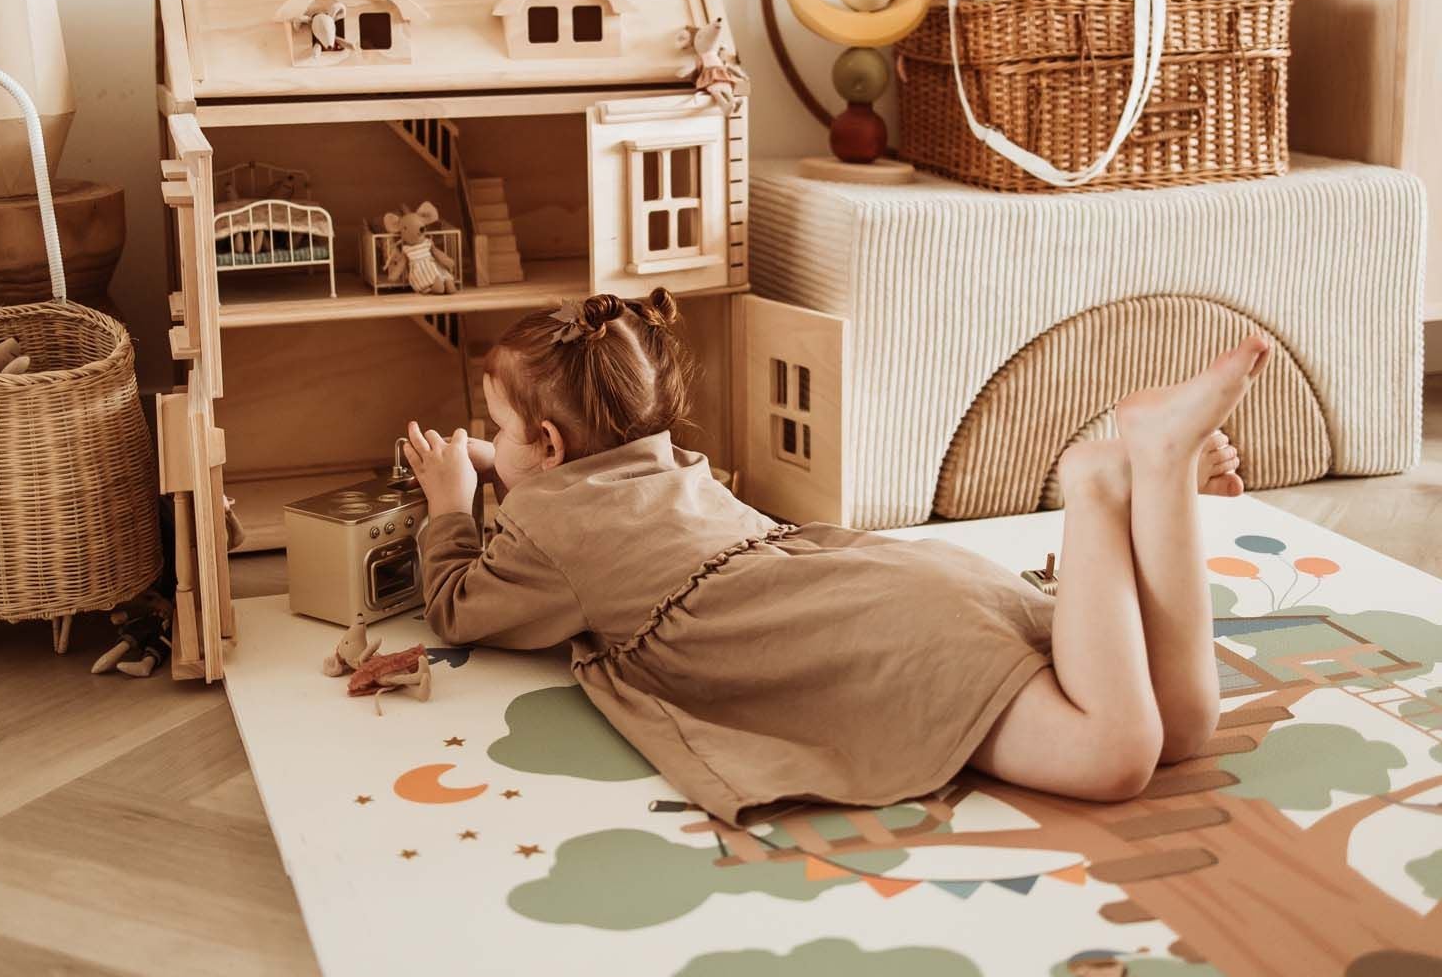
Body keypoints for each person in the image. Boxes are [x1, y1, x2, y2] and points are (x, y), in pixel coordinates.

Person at [402, 288, 1264, 827]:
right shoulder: (669, 467)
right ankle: (1156, 468)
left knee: (1115, 756)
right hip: (896, 584)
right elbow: (583, 489)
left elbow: (460, 604)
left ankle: (1095, 489)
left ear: (548, 446)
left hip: (865, 648)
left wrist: (449, 505)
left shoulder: (552, 532)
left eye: (498, 431)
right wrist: (491, 466)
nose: (488, 444)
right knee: (1183, 729)